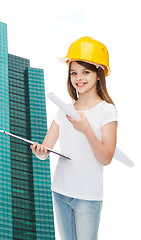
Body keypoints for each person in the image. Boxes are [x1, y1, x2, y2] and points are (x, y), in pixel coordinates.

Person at [30, 36, 118, 240]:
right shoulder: (64, 110)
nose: (79, 78)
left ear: (99, 74)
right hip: (60, 191)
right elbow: (46, 149)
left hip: (87, 197)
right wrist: (40, 151)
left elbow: (106, 157)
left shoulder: (107, 111)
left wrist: (87, 129)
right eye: (74, 73)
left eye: (86, 72)